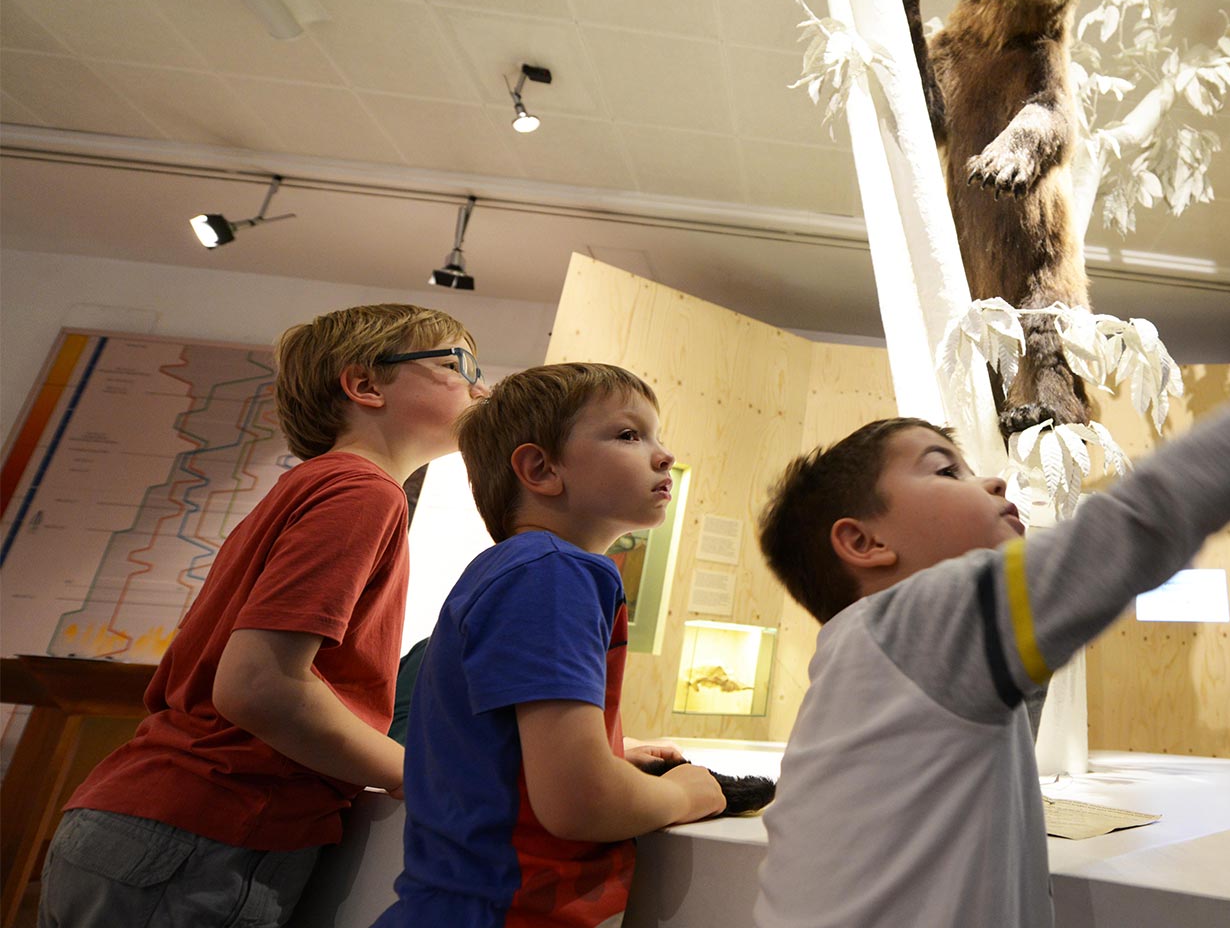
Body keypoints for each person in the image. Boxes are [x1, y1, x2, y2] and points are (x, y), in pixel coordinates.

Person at [752, 216, 1230, 926]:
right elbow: (1138, 523)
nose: (994, 484)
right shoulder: (912, 629)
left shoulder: (872, 666)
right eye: (947, 471)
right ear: (863, 542)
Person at [39, 304, 486, 928]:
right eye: (456, 364)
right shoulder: (363, 491)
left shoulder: (319, 484)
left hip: (152, 823)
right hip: (207, 832)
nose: (479, 385)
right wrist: (423, 775)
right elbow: (259, 685)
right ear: (364, 385)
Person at [375, 363, 723, 928]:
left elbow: (491, 755)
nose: (664, 456)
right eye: (629, 435)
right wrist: (684, 797)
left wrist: (606, 758)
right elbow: (578, 802)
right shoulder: (555, 575)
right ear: (540, 468)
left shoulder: (514, 570)